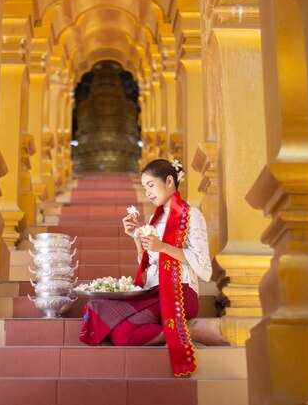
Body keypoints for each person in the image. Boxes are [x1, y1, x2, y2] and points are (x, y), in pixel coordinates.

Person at [79, 159, 228, 376]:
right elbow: (149, 265)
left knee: (125, 334)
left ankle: (191, 331)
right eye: (144, 187)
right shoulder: (153, 221)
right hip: (153, 291)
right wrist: (136, 238)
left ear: (169, 181)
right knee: (100, 309)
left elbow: (204, 265)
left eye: (150, 185)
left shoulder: (191, 215)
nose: (147, 192)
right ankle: (180, 330)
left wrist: (164, 247)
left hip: (178, 291)